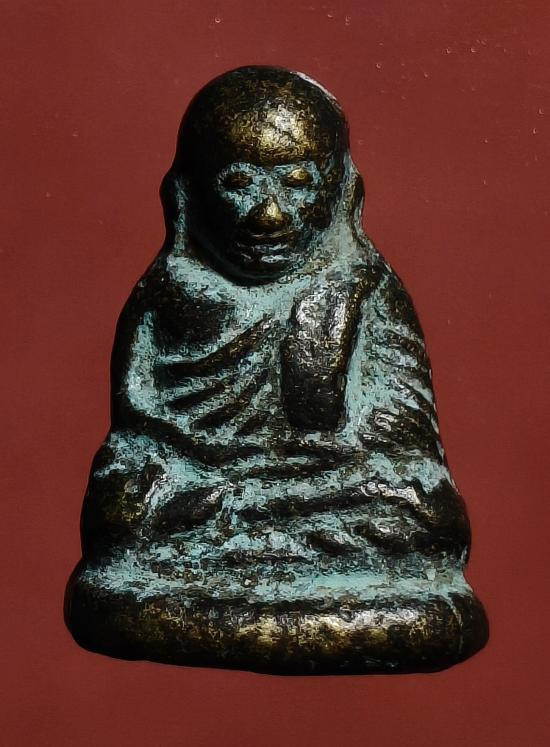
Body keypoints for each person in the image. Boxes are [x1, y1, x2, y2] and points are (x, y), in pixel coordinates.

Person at [66, 66, 488, 674]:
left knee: (423, 513)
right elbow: (139, 420)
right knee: (125, 508)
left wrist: (316, 454)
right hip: (201, 485)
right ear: (185, 195)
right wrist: (202, 466)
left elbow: (404, 434)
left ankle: (252, 536)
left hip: (329, 488)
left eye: (296, 183)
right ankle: (241, 535)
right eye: (239, 183)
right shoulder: (169, 291)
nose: (268, 214)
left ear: (343, 194)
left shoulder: (364, 287)